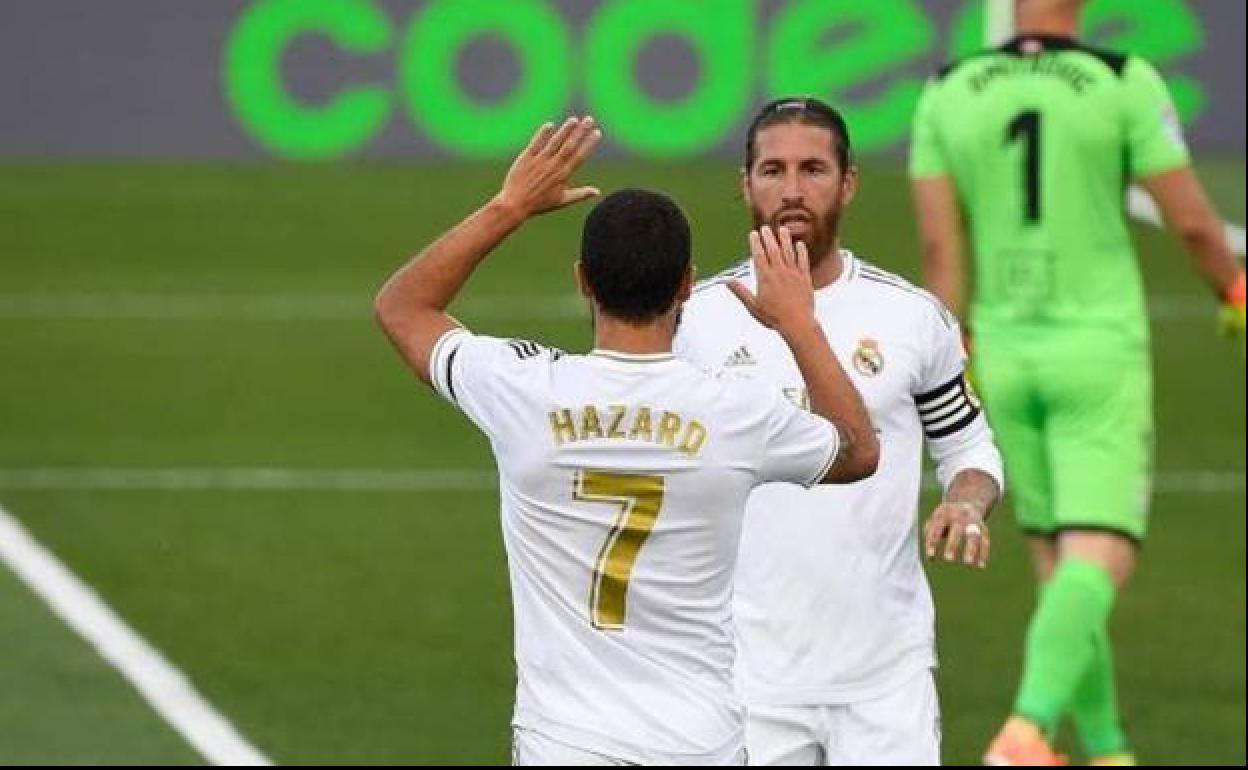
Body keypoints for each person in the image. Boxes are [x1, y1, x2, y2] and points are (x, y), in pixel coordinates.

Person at [374, 115, 879, 766]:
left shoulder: (523, 390)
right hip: (699, 745)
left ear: (583, 280)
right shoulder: (737, 412)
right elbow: (858, 450)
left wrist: (510, 206)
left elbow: (403, 308)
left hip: (565, 744)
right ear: (686, 285)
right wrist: (799, 324)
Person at [908, 0, 1246, 764]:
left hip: (1003, 353)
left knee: (1057, 566)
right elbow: (1194, 221)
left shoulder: (949, 90)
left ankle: (1106, 748)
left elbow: (938, 247)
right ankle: (1024, 732)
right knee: (1102, 554)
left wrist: (953, 353)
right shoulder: (1121, 79)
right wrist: (1234, 294)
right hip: (1097, 352)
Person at [674, 97, 1006, 766]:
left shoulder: (912, 318)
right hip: (744, 677)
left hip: (886, 678)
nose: (792, 189)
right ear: (745, 185)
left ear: (848, 182)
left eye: (813, 169)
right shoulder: (696, 321)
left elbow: (969, 445)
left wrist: (966, 503)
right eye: (773, 170)